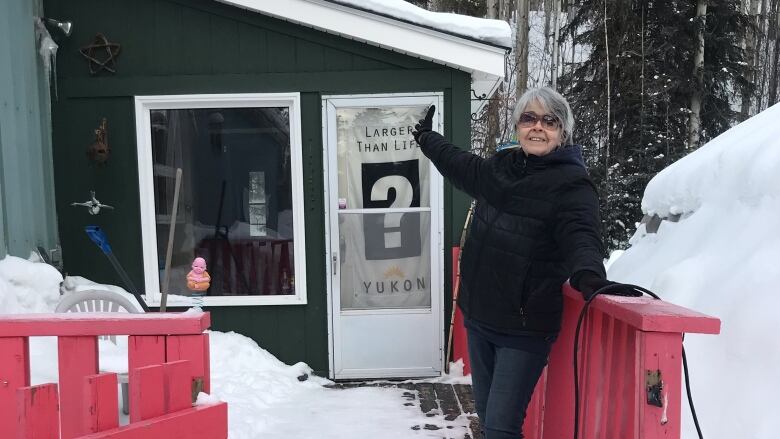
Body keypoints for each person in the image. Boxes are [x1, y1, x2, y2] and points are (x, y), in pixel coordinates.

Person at [411, 87, 639, 438]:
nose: (538, 127)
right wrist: (426, 138)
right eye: (529, 118)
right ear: (517, 126)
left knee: (502, 428)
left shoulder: (572, 186)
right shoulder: (502, 168)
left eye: (549, 121)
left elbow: (581, 234)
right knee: (488, 421)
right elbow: (459, 163)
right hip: (480, 315)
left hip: (523, 328)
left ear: (563, 132)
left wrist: (589, 275)